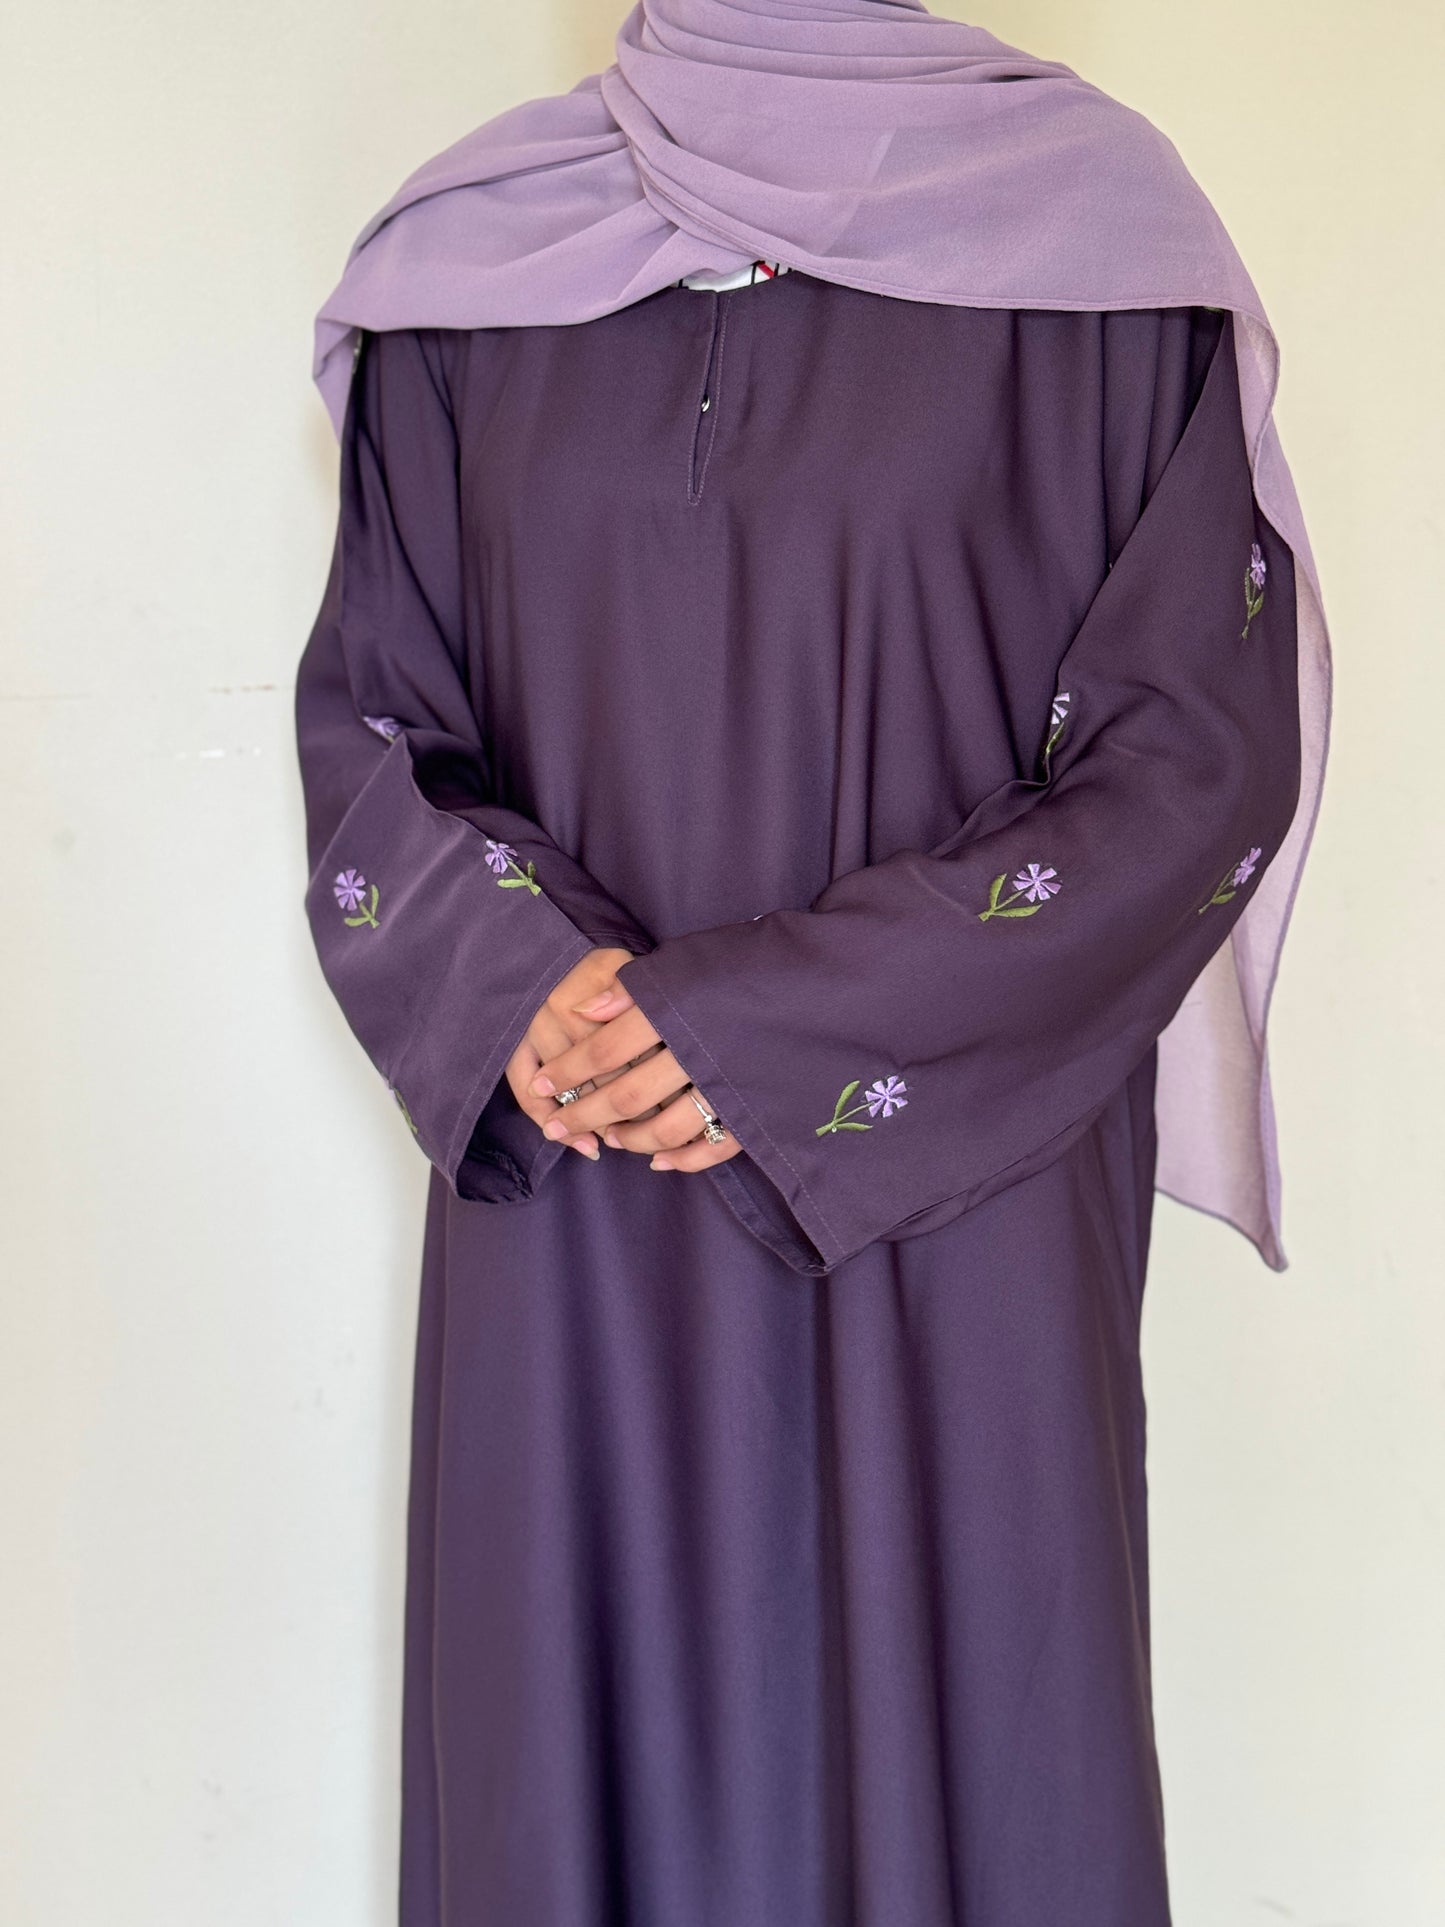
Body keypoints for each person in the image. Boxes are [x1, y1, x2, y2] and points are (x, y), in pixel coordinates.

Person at [294, 4, 1331, 1921]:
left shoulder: (1098, 244)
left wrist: (765, 1027)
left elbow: (1192, 760)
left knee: (975, 1733)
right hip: (576, 1174)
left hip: (957, 1198)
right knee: (568, 1751)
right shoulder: (466, 263)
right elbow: (374, 725)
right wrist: (516, 980)